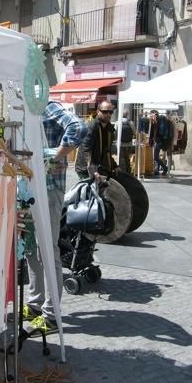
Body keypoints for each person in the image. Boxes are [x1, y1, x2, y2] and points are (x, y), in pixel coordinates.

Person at [25, 101, 87, 334]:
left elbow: (79, 127)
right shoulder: (22, 108)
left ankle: (51, 315)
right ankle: (34, 304)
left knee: (47, 250)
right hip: (27, 188)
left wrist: (53, 156)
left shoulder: (45, 106)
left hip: (49, 188)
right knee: (30, 248)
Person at [76, 100, 118, 179]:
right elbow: (86, 149)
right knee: (90, 190)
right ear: (98, 111)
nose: (108, 114)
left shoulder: (110, 128)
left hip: (100, 167)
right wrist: (92, 170)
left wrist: (114, 166)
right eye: (105, 112)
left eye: (110, 112)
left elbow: (107, 151)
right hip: (85, 168)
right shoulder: (91, 126)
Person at [148, 110, 171, 176]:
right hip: (158, 140)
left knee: (155, 157)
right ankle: (157, 170)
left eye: (152, 114)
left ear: (155, 114)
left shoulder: (161, 119)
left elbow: (161, 131)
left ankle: (165, 168)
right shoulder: (157, 120)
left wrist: (156, 138)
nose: (151, 116)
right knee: (156, 156)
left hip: (159, 141)